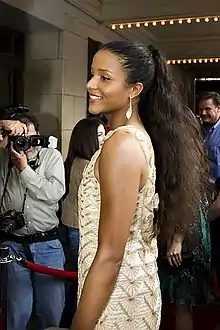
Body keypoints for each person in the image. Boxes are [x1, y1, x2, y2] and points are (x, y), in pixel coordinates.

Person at [68, 41, 209, 330]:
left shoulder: (122, 144)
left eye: (104, 78)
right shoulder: (133, 137)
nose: (90, 84)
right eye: (92, 74)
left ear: (134, 89)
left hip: (115, 298)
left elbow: (110, 255)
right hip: (127, 288)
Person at [0, 113, 66, 330]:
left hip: (47, 245)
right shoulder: (4, 158)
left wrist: (24, 170)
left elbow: (55, 192)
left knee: (50, 312)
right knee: (17, 312)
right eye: (19, 137)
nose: (24, 142)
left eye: (29, 136)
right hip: (13, 244)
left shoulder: (51, 157)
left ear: (39, 135)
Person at [60, 117, 105, 327]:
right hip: (80, 230)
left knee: (76, 281)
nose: (104, 138)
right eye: (99, 135)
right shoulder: (87, 165)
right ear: (87, 140)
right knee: (82, 282)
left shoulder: (75, 161)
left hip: (72, 226)